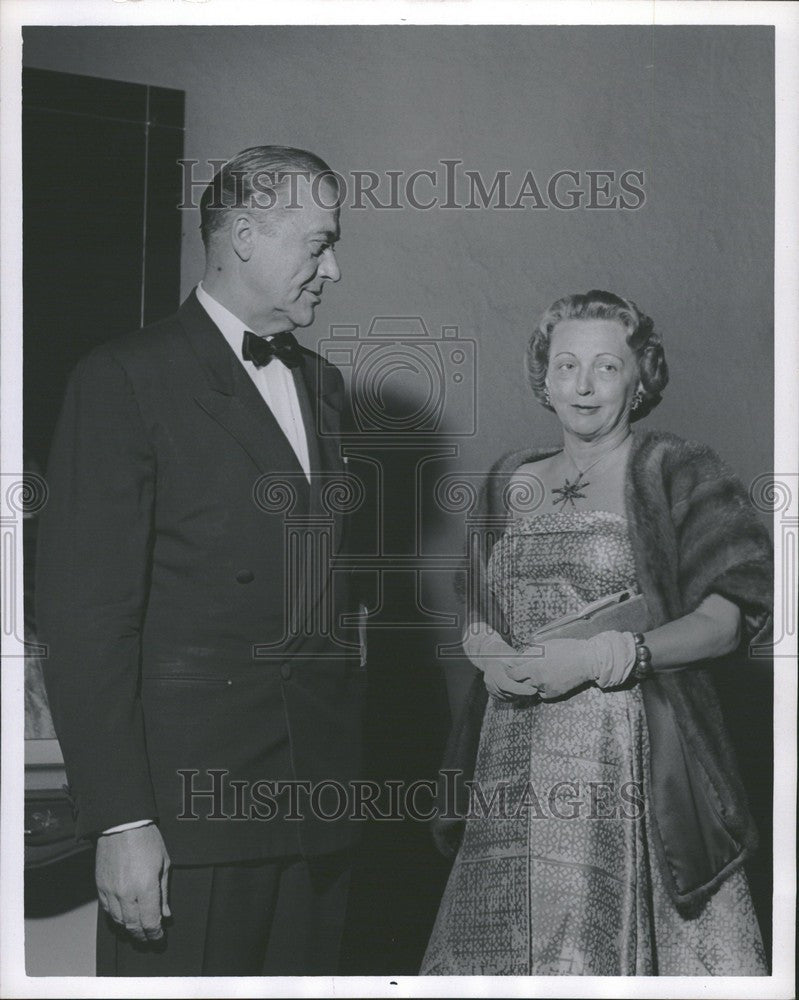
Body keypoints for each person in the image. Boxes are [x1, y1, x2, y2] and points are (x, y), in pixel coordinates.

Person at [36, 146, 366, 976]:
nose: (336, 268)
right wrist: (119, 822)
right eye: (319, 243)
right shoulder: (123, 378)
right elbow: (85, 619)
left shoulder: (324, 386)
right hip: (193, 820)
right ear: (246, 236)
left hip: (317, 805)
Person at [422, 290, 771, 975]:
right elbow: (477, 603)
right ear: (542, 377)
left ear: (640, 378)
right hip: (510, 752)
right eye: (565, 366)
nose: (582, 386)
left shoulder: (678, 472)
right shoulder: (507, 479)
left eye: (606, 368)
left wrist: (612, 656)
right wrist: (486, 650)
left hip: (624, 751)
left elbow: (728, 618)